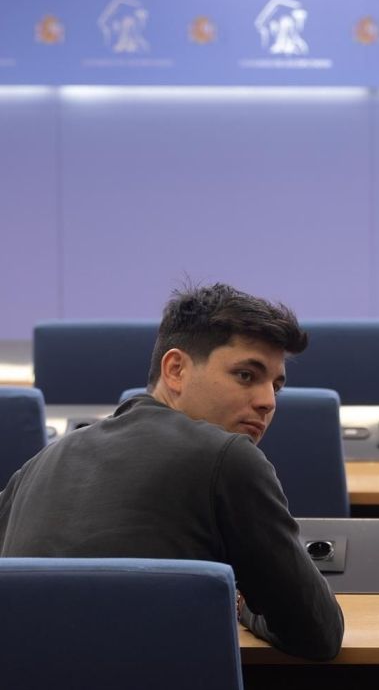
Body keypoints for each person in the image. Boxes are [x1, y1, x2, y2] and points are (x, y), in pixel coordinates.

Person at [0, 283, 343, 661]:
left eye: (276, 387)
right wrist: (241, 602)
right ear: (176, 369)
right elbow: (317, 633)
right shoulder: (229, 458)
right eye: (246, 375)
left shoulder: (37, 466)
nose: (266, 402)